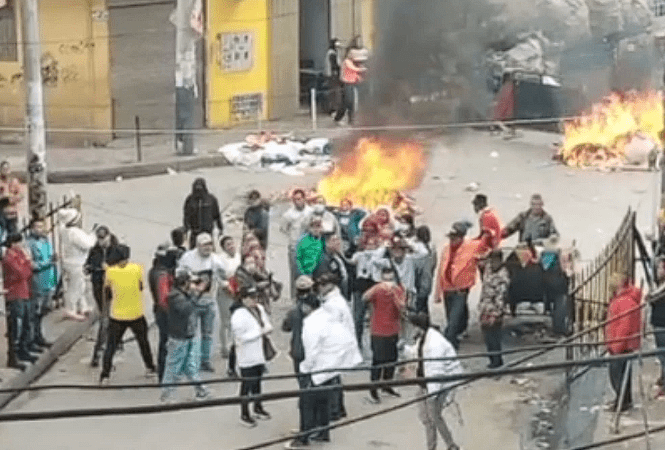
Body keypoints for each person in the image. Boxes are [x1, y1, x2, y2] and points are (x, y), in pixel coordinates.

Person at [286, 283, 362, 449]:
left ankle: (304, 436)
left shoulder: (313, 323)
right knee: (323, 401)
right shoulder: (328, 317)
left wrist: (305, 368)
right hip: (330, 366)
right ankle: (323, 432)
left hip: (317, 368)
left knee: (306, 402)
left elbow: (311, 351)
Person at [99, 244, 156, 384]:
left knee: (111, 346)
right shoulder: (137, 268)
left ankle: (105, 375)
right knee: (143, 343)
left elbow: (107, 293)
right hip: (136, 313)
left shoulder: (110, 272)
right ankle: (150, 368)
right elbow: (141, 287)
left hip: (117, 315)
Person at [406, 312, 463, 450]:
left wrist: (432, 395)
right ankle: (432, 446)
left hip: (437, 385)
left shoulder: (434, 344)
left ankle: (451, 445)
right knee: (425, 417)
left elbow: (435, 371)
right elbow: (417, 352)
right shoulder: (424, 337)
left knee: (435, 416)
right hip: (424, 382)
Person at [434, 221, 491, 350]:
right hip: (447, 290)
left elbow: (486, 247)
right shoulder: (446, 249)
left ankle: (450, 346)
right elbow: (440, 271)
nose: (452, 240)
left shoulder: (471, 247)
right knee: (451, 318)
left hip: (461, 290)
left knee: (453, 322)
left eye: (455, 237)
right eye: (451, 237)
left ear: (461, 237)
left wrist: (487, 234)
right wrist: (437, 293)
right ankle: (458, 333)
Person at [176, 232, 227, 372]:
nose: (208, 247)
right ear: (198, 245)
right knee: (190, 333)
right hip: (192, 302)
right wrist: (189, 284)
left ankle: (205, 360)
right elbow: (179, 275)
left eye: (210, 244)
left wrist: (224, 280)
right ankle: (188, 361)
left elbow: (223, 277)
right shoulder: (188, 258)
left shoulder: (215, 260)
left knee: (208, 334)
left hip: (209, 302)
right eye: (205, 245)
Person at [160, 272, 210, 402]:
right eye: (191, 282)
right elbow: (186, 309)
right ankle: (167, 394)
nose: (193, 285)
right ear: (185, 284)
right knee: (173, 366)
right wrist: (197, 293)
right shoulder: (175, 296)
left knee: (190, 365)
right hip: (178, 337)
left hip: (187, 335)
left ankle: (200, 389)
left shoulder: (182, 294)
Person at [231, 285, 273, 428]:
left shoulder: (259, 309)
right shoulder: (238, 315)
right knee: (246, 385)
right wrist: (260, 332)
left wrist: (265, 329)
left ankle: (257, 406)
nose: (254, 300)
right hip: (246, 356)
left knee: (258, 382)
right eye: (251, 297)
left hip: (259, 353)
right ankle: (244, 413)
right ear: (243, 299)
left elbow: (267, 323)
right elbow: (240, 337)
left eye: (256, 297)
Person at [315, 271, 355, 421]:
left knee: (331, 378)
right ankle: (339, 408)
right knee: (335, 377)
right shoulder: (334, 300)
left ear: (331, 285)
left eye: (323, 284)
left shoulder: (333, 305)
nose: (320, 287)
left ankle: (334, 410)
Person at [364, 266, 406, 403]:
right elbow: (364, 297)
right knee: (378, 361)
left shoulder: (398, 290)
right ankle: (373, 388)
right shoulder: (377, 290)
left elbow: (402, 307)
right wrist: (378, 287)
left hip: (393, 329)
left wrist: (394, 292)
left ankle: (386, 384)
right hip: (378, 331)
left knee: (392, 359)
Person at [604, 272, 642, 413]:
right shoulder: (624, 299)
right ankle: (624, 400)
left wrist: (615, 345)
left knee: (617, 375)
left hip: (620, 345)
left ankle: (622, 401)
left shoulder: (625, 301)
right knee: (623, 374)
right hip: (623, 344)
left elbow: (624, 327)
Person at [85, 225, 119, 366]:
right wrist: (90, 268)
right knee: (106, 317)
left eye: (103, 239)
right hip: (99, 288)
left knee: (106, 320)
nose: (101, 242)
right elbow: (88, 265)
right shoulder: (94, 251)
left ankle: (98, 352)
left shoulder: (116, 250)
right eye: (99, 239)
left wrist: (110, 269)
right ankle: (112, 341)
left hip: (113, 289)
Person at [3, 233, 37, 369]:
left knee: (26, 322)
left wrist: (26, 263)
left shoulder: (20, 255)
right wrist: (27, 263)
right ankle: (14, 355)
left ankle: (24, 350)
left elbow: (28, 271)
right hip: (15, 294)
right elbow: (22, 273)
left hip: (24, 292)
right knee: (17, 325)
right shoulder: (9, 258)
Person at [58, 208, 96, 321]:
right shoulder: (75, 232)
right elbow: (88, 244)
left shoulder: (64, 230)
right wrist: (93, 234)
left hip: (70, 261)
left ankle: (83, 306)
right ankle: (70, 309)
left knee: (80, 285)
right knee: (76, 287)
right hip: (76, 263)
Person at [26, 219, 56, 352]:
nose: (40, 229)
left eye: (41, 227)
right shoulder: (29, 244)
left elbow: (51, 258)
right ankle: (31, 340)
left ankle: (39, 337)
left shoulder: (46, 241)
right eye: (37, 227)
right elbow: (31, 265)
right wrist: (47, 263)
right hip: (37, 280)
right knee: (34, 312)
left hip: (48, 279)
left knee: (43, 312)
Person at [478, 249, 510, 368]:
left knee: (494, 337)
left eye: (494, 261)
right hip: (485, 308)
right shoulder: (489, 270)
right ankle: (492, 359)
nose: (492, 263)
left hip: (495, 311)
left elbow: (501, 296)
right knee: (487, 337)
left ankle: (496, 361)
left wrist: (497, 313)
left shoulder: (502, 275)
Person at [280, 189, 313, 298]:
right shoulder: (288, 214)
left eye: (299, 199)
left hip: (309, 247)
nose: (297, 202)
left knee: (309, 272)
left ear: (304, 199)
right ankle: (295, 297)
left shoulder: (310, 212)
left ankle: (309, 296)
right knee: (295, 273)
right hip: (295, 247)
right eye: (295, 200)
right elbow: (283, 229)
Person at [282, 275, 316, 379]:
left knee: (302, 380)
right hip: (314, 349)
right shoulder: (317, 308)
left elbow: (285, 327)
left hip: (298, 350)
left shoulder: (293, 310)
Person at [149, 244, 175, 381]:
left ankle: (164, 371)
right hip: (165, 313)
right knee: (166, 343)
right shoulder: (162, 274)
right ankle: (164, 373)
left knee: (164, 342)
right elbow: (163, 299)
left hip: (159, 311)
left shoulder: (154, 270)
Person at [217, 235, 241, 358]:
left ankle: (235, 344)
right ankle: (224, 347)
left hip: (238, 291)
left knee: (236, 319)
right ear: (224, 248)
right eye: (228, 245)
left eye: (232, 243)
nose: (231, 246)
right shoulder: (220, 260)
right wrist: (227, 286)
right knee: (226, 320)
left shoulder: (239, 256)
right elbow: (219, 278)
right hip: (225, 292)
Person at [183, 178, 223, 249]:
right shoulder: (190, 200)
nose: (198, 190)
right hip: (195, 232)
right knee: (193, 253)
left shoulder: (211, 199)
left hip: (207, 232)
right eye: (197, 187)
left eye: (200, 187)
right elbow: (186, 215)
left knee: (208, 250)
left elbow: (217, 215)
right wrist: (185, 229)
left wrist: (220, 228)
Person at [334, 46, 367, 125]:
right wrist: (364, 69)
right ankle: (338, 118)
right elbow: (354, 69)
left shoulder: (355, 63)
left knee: (352, 103)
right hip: (346, 84)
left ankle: (351, 120)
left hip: (354, 84)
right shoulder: (347, 61)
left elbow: (357, 74)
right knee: (347, 102)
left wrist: (361, 78)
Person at [313, 233, 349, 300]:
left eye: (338, 239)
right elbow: (324, 278)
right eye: (334, 240)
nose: (337, 242)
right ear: (327, 243)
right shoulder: (323, 259)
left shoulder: (338, 256)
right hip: (332, 296)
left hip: (342, 294)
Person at [649, 257, 665, 395]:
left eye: (660, 268)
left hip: (662, 324)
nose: (658, 271)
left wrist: (649, 297)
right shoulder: (660, 286)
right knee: (661, 355)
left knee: (663, 355)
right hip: (659, 323)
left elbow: (653, 298)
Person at [413, 225, 437, 315]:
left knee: (418, 304)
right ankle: (425, 322)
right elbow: (434, 263)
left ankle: (421, 322)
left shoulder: (417, 248)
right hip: (427, 278)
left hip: (418, 278)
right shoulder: (431, 247)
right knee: (424, 302)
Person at [0, 160, 23, 234]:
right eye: (3, 169)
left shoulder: (14, 181)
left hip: (12, 214)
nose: (5, 171)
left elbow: (21, 195)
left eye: (7, 169)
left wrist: (11, 198)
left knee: (12, 235)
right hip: (2, 213)